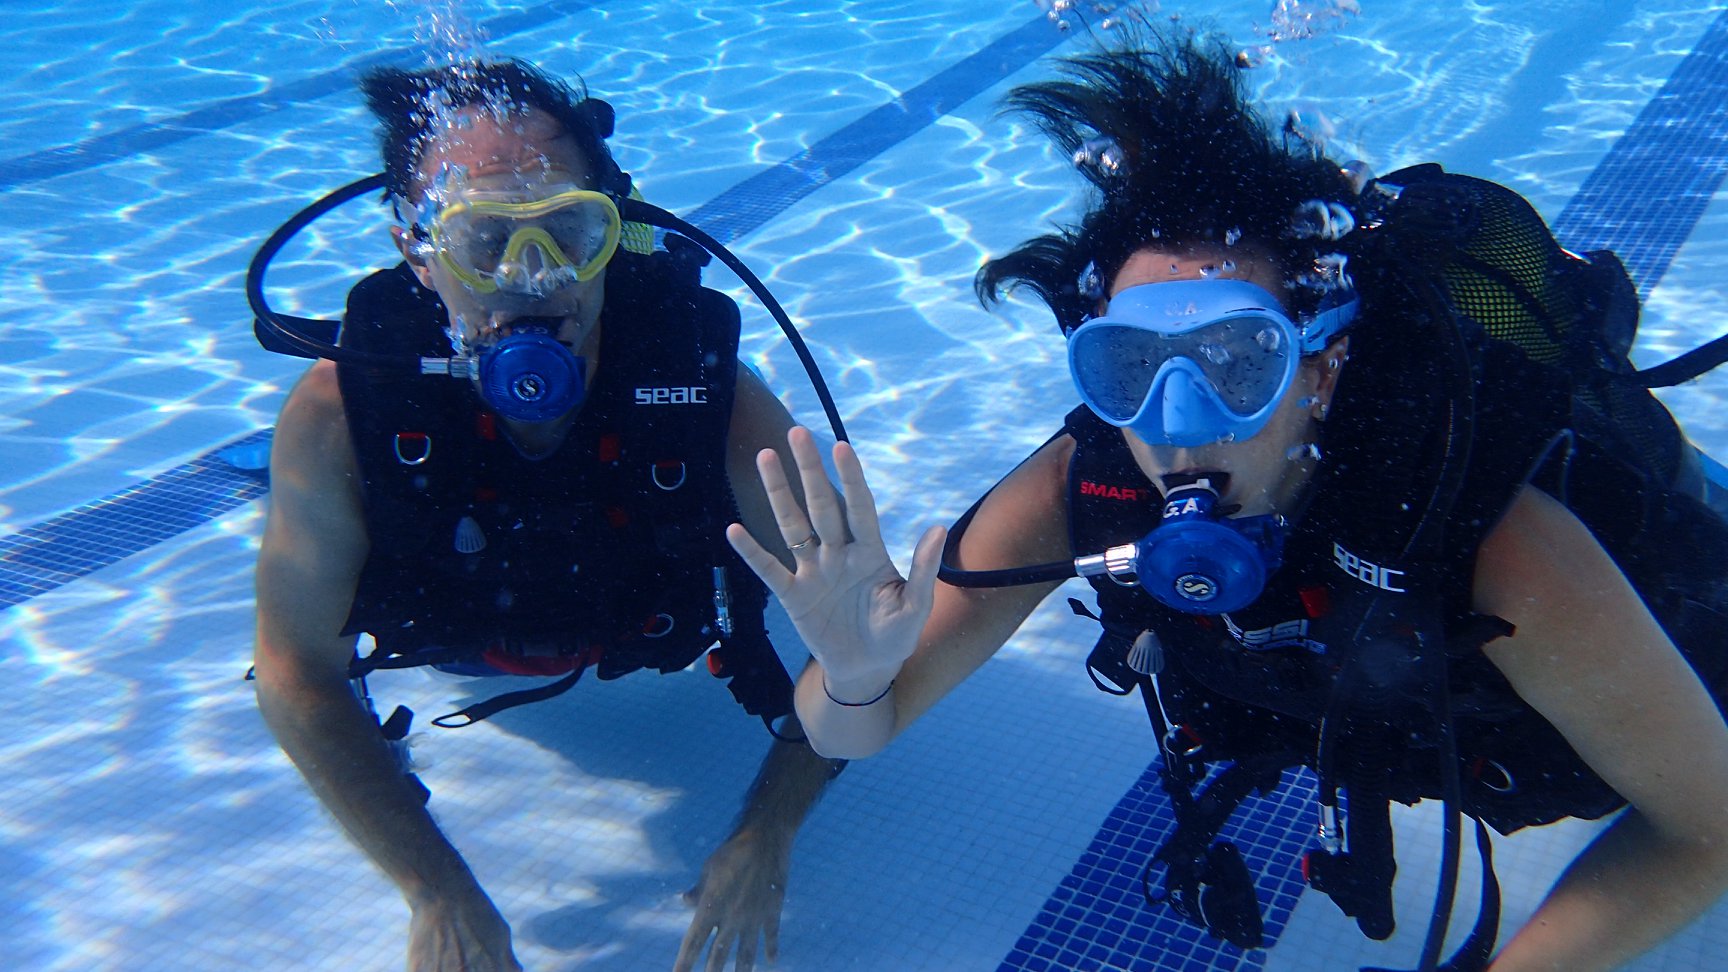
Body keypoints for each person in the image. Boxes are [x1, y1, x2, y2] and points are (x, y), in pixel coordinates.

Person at [726, 31, 1728, 972]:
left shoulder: (1493, 547)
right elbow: (857, 729)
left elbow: (1709, 830)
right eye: (1129, 365)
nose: (1176, 424)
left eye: (1238, 360)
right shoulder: (1082, 486)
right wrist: (854, 676)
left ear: (1322, 369)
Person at [251, 59, 843, 972]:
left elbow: (865, 631)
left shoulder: (706, 392)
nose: (533, 277)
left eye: (569, 229)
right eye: (483, 238)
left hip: (649, 632)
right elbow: (295, 671)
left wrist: (769, 831)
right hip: (461, 648)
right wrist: (436, 892)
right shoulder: (339, 415)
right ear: (417, 250)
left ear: (612, 234)